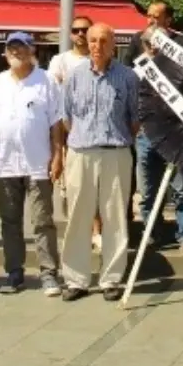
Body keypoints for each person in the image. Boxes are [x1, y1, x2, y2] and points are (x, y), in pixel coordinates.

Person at [59, 23, 140, 302]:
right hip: (81, 152)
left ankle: (112, 279)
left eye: (103, 41)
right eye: (92, 41)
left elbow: (134, 119)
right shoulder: (74, 76)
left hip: (116, 152)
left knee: (115, 216)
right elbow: (66, 117)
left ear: (113, 43)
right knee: (78, 216)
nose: (96, 46)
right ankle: (75, 279)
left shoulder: (128, 77)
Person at [0, 32, 65, 296]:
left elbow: (55, 123)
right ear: (5, 53)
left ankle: (49, 273)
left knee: (42, 221)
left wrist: (58, 155)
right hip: (5, 163)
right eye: (11, 48)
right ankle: (14, 272)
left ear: (32, 50)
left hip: (38, 162)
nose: (16, 53)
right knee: (9, 220)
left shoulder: (47, 80)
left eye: (21, 48)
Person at [133, 2, 183, 255]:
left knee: (181, 189)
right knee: (147, 188)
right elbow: (129, 82)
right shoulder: (137, 44)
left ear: (168, 20)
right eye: (148, 16)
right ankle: (151, 232)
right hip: (146, 131)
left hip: (176, 131)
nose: (150, 21)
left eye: (156, 17)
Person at [49, 16, 103, 251]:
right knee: (71, 188)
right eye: (76, 30)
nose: (81, 34)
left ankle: (96, 231)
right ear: (71, 34)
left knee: (96, 187)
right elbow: (55, 92)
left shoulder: (99, 59)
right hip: (68, 133)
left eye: (85, 30)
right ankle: (77, 231)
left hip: (95, 131)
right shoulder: (60, 60)